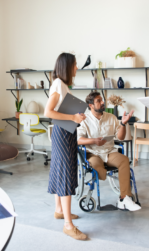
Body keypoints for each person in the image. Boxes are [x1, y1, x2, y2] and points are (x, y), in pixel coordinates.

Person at [44, 53, 87, 240]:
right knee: (66, 174)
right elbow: (48, 111)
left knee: (60, 171)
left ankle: (59, 210)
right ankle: (68, 225)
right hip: (63, 133)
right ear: (67, 66)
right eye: (75, 65)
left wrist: (75, 116)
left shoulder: (63, 85)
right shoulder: (58, 84)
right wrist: (73, 117)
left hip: (66, 132)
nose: (77, 68)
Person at [77, 91, 141, 211]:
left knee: (124, 160)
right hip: (93, 153)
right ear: (90, 105)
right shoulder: (84, 120)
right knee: (97, 166)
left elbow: (120, 137)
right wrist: (93, 141)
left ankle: (124, 199)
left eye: (102, 100)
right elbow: (78, 140)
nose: (102, 103)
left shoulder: (111, 117)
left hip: (109, 152)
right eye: (98, 101)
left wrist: (123, 123)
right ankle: (102, 173)